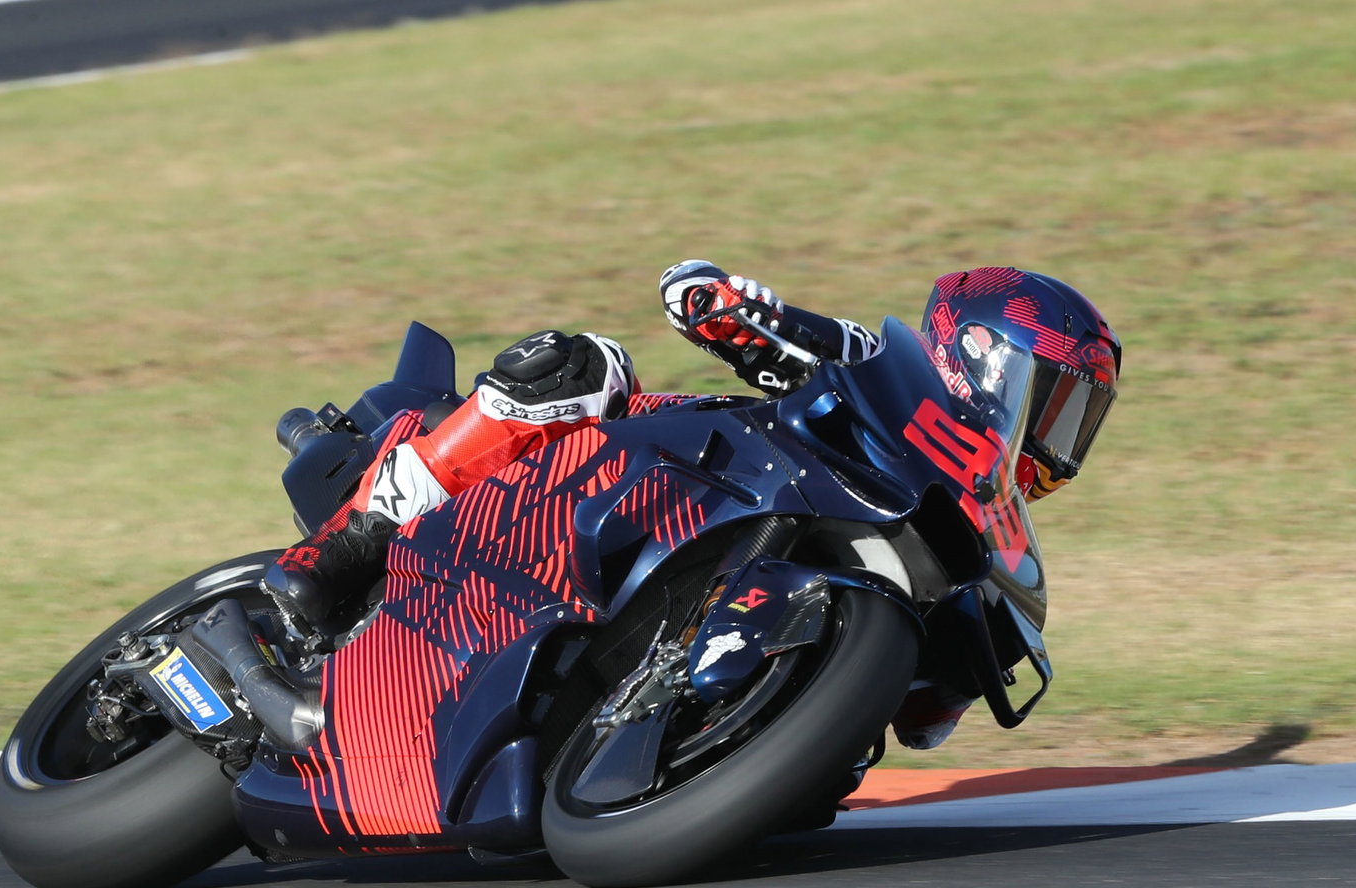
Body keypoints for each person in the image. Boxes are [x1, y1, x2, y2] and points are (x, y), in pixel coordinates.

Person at [261, 260, 1121, 748]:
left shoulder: (990, 515)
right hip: (665, 467)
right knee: (580, 364)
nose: (1059, 438)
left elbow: (924, 727)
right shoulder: (885, 369)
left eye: (1079, 420)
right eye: (1055, 402)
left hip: (760, 549)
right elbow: (712, 305)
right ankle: (339, 550)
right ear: (983, 352)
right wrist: (736, 307)